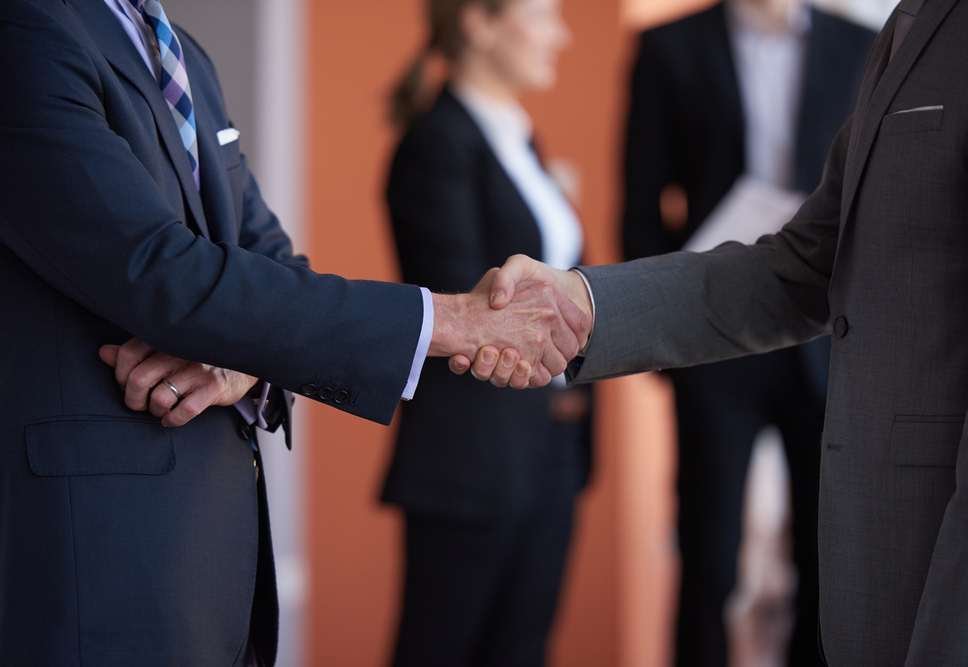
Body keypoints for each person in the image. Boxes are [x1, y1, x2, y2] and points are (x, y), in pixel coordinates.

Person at [0, 0, 588, 664]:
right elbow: (156, 270)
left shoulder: (182, 52)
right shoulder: (28, 26)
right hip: (99, 554)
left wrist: (241, 360)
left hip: (212, 558)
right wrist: (451, 320)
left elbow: (274, 263)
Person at [459, 0, 968, 664]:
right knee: (707, 560)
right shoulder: (905, 24)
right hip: (742, 392)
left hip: (949, 578)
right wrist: (585, 302)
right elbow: (807, 262)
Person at [620, 1, 873, 663]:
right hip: (712, 344)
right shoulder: (669, 48)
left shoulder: (863, 44)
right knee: (707, 556)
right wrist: (664, 342)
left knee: (827, 559)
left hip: (824, 343)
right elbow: (639, 206)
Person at [381, 2, 591, 665]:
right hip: (472, 455)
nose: (562, 34)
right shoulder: (436, 143)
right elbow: (466, 306)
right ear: (479, 21)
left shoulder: (519, 139)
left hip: (547, 446)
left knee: (522, 649)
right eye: (543, 13)